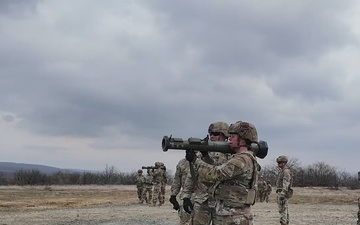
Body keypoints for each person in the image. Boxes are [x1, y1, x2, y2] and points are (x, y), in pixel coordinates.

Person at [185, 121, 261, 225]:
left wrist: (195, 160)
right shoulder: (241, 157)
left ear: (243, 140)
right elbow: (219, 171)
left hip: (235, 216)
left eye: (233, 136)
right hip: (229, 213)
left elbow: (215, 174)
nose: (229, 138)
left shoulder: (241, 160)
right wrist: (206, 156)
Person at [182, 121, 230, 225]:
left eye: (216, 134)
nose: (212, 136)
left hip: (222, 202)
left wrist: (205, 157)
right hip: (203, 200)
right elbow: (192, 174)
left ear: (225, 135)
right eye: (210, 134)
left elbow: (218, 171)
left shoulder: (231, 154)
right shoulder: (202, 152)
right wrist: (186, 196)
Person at [169, 157, 192, 225]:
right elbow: (177, 180)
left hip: (202, 196)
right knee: (185, 221)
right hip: (185, 196)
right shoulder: (182, 163)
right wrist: (173, 195)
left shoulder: (205, 160)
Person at [276, 155, 293, 225]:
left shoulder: (286, 171)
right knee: (284, 209)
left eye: (280, 163)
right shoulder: (283, 171)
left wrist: (283, 193)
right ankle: (285, 222)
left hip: (283, 193)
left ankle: (284, 223)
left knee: (282, 210)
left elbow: (286, 182)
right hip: (281, 191)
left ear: (284, 163)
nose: (278, 164)